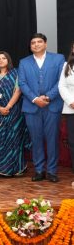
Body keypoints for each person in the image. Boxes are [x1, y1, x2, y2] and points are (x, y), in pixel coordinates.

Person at [19, 33, 65, 183]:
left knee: (52, 139)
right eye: (33, 42)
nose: (36, 44)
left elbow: (61, 81)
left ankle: (51, 171)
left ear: (45, 44)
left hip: (52, 105)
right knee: (36, 139)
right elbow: (22, 84)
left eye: (39, 42)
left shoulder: (58, 59)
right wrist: (35, 99)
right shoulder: (24, 62)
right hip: (32, 107)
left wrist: (48, 97)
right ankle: (39, 170)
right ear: (30, 46)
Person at [0, 51, 29, 177]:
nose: (1, 60)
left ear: (8, 60)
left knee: (14, 138)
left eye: (3, 58)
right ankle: (1, 167)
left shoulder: (15, 73)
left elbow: (18, 91)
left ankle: (16, 168)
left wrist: (8, 107)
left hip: (14, 111)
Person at [59, 41, 74, 173]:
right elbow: (62, 86)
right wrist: (71, 102)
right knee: (72, 141)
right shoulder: (66, 66)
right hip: (71, 108)